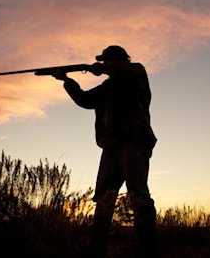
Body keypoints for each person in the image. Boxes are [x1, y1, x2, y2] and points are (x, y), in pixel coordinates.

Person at [50, 45, 159, 257]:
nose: (104, 64)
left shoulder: (136, 73)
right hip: (111, 147)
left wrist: (101, 68)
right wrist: (65, 80)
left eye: (107, 61)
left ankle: (148, 250)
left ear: (117, 61)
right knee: (104, 199)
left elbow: (123, 71)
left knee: (138, 196)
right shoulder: (108, 87)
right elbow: (85, 100)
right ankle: (96, 249)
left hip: (134, 142)